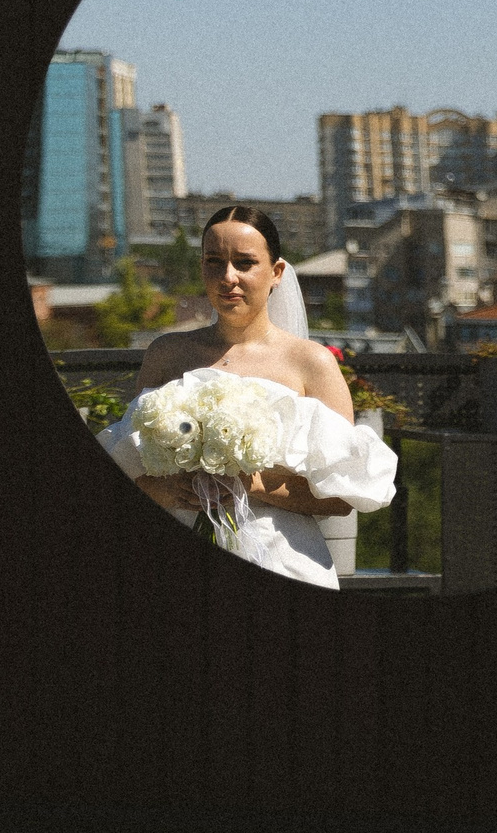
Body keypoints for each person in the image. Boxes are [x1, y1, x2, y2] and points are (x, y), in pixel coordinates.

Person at [98, 205, 398, 588]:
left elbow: (340, 501)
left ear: (275, 273)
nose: (228, 277)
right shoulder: (166, 354)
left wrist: (255, 485)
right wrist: (159, 489)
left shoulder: (312, 364)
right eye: (214, 261)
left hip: (280, 558)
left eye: (244, 263)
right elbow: (130, 462)